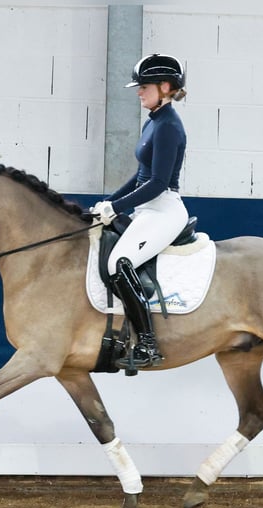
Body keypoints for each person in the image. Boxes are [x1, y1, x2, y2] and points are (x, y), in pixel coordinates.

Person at [91, 53, 189, 369]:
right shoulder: (154, 122)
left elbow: (158, 182)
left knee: (121, 263)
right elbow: (140, 176)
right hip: (148, 208)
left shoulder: (169, 126)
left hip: (164, 209)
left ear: (164, 87)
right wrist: (108, 203)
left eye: (143, 87)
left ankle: (148, 344)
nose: (138, 92)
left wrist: (118, 207)